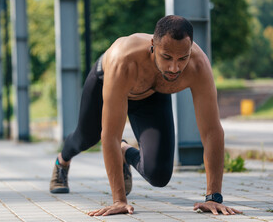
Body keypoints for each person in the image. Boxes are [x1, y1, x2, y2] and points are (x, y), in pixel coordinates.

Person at [49, 15, 242, 216]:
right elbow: (110, 135)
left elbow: (212, 131)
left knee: (158, 175)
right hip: (108, 82)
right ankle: (62, 161)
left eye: (182, 58)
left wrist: (213, 197)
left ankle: (125, 152)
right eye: (166, 57)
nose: (174, 68)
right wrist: (119, 201)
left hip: (151, 95)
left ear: (191, 49)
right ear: (153, 45)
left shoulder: (198, 65)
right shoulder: (123, 59)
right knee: (87, 136)